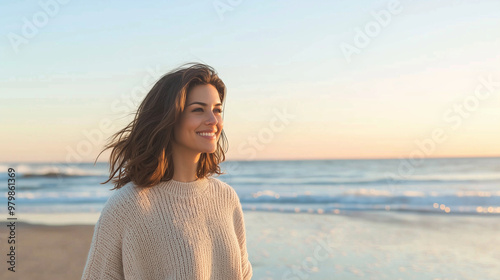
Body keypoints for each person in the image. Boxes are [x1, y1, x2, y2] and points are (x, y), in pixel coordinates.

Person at [81, 62, 253, 279]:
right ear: (169, 117)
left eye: (217, 110)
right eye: (198, 110)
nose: (212, 121)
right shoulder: (127, 207)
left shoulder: (227, 198)